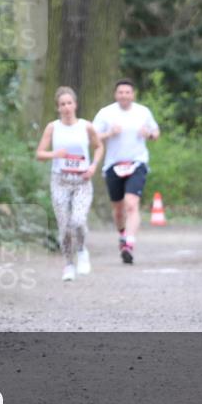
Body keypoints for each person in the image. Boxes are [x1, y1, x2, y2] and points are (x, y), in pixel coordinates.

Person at [35, 87, 103, 281]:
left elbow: (99, 146)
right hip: (60, 180)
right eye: (62, 104)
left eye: (69, 103)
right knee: (64, 226)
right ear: (58, 107)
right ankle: (68, 265)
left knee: (78, 221)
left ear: (75, 104)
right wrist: (55, 154)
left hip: (82, 181)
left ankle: (82, 251)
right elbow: (40, 154)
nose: (66, 107)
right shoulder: (53, 127)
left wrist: (94, 166)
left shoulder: (86, 126)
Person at [92, 79, 160, 265]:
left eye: (127, 92)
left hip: (137, 163)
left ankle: (129, 244)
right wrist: (109, 134)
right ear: (116, 95)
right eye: (120, 92)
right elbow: (92, 136)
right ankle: (122, 235)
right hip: (113, 165)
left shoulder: (143, 112)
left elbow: (155, 133)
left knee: (131, 203)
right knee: (118, 209)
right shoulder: (106, 113)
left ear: (133, 94)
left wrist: (150, 134)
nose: (124, 95)